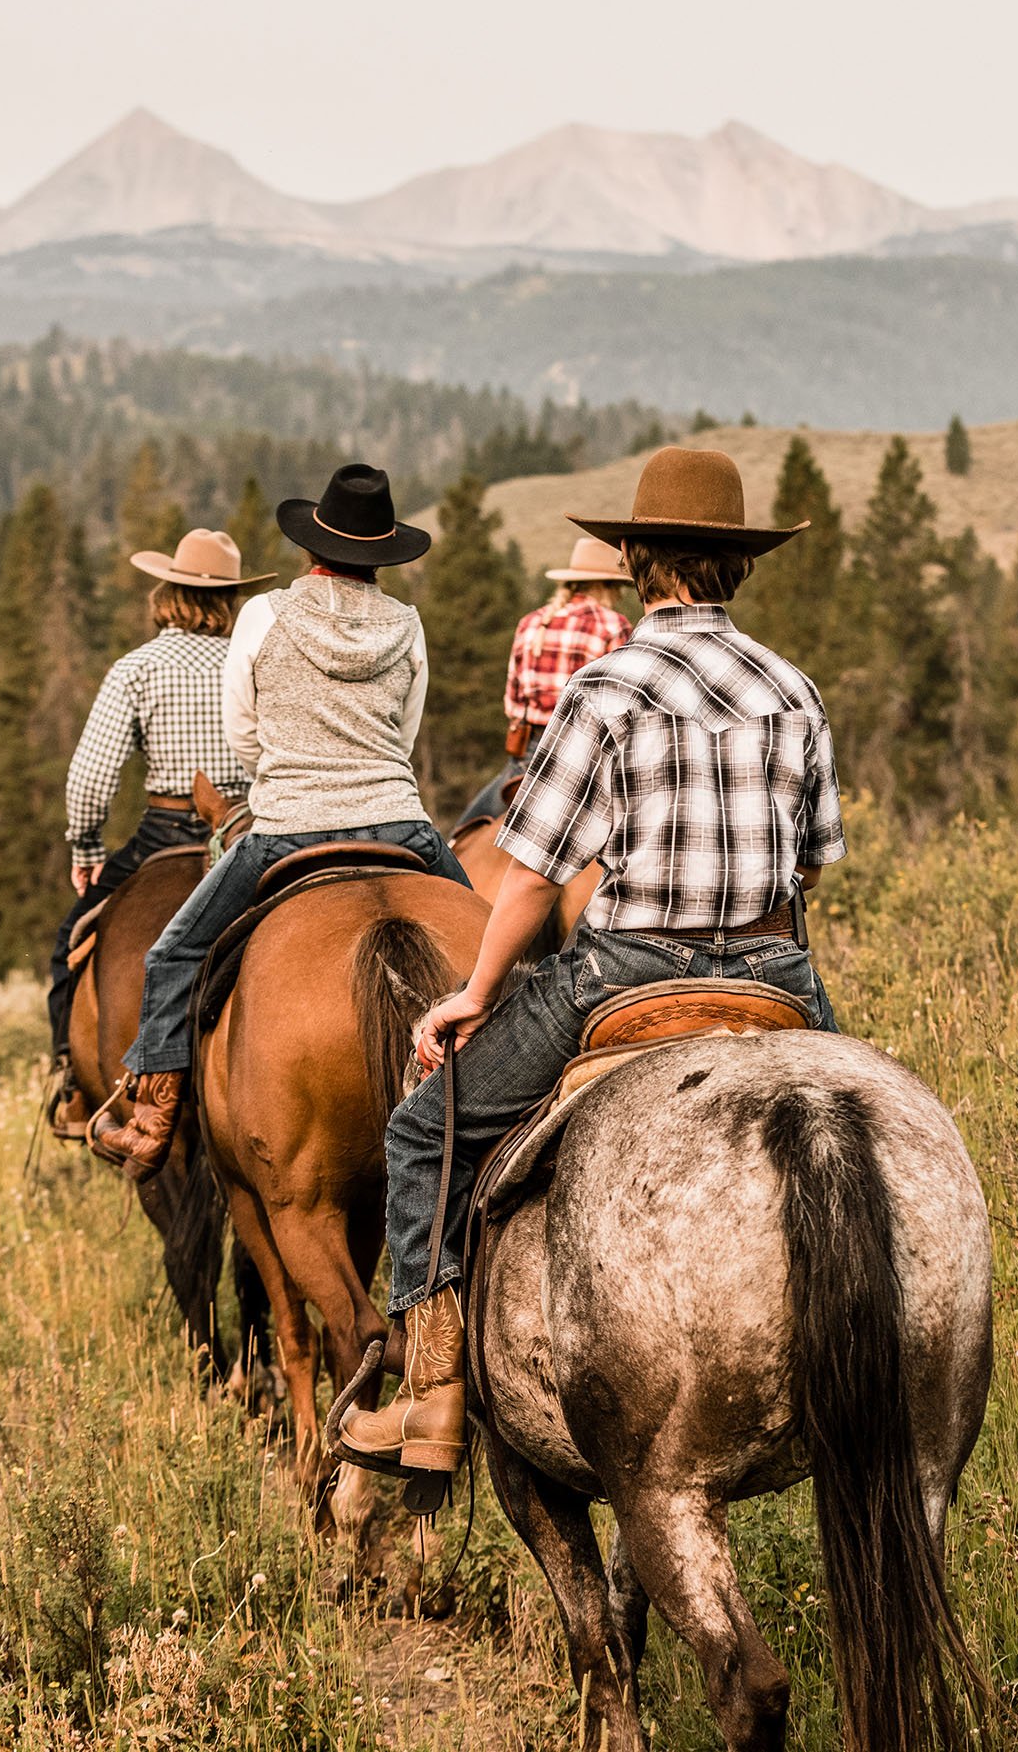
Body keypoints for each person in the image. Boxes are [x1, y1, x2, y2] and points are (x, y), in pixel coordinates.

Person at [336, 447, 844, 1479]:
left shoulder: (606, 688)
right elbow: (811, 866)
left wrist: (472, 995)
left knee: (422, 1134)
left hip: (625, 976)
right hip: (774, 976)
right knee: (859, 1145)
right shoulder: (794, 690)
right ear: (734, 566)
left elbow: (527, 876)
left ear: (635, 559)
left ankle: (431, 1399)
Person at [113, 464, 477, 1180]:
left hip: (285, 828)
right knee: (503, 952)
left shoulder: (264, 615)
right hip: (402, 825)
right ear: (383, 554)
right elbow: (404, 734)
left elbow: (242, 733)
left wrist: (288, 768)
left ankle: (155, 1115)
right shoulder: (406, 623)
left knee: (173, 956)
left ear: (314, 546)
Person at [44, 527, 271, 1149]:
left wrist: (87, 849)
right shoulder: (252, 658)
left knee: (71, 941)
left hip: (166, 830)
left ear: (166, 592)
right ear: (228, 601)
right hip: (255, 829)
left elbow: (90, 779)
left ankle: (71, 1080)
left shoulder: (138, 668)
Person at [453, 536, 634, 830]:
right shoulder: (613, 625)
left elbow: (512, 703)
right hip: (582, 755)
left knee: (462, 835)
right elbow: (620, 703)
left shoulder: (532, 622)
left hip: (528, 755)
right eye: (619, 589)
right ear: (607, 586)